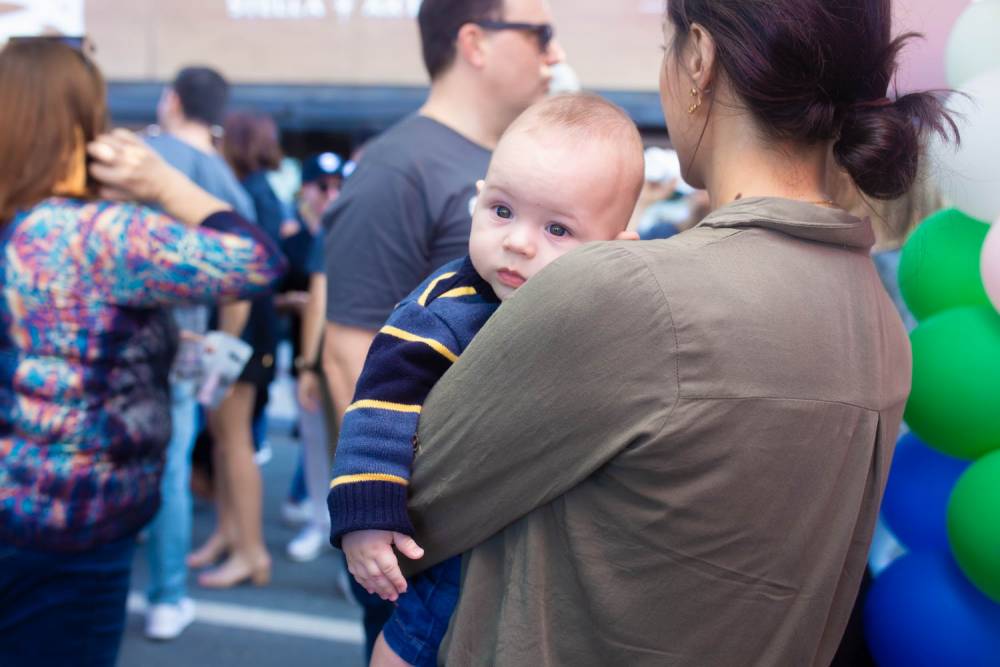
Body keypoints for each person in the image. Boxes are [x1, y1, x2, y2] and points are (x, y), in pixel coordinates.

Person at [391, 1, 958, 665]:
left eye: (666, 48)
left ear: (698, 57)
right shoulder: (876, 315)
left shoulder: (633, 296)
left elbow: (399, 507)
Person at [331, 93, 643, 667]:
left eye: (557, 229)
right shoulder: (444, 309)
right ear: (477, 202)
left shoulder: (608, 315)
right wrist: (366, 517)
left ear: (617, 253)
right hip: (447, 547)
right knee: (409, 645)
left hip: (545, 553)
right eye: (501, 211)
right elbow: (379, 405)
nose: (518, 242)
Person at [0, 39, 285, 667]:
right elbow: (257, 260)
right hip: (69, 520)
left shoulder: (34, 225)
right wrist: (162, 182)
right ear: (77, 118)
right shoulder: (92, 234)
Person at [321, 0, 564, 655]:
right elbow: (350, 359)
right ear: (474, 42)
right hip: (424, 547)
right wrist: (378, 519)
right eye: (541, 35)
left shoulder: (519, 160)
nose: (556, 54)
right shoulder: (396, 168)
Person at [142, 66, 260, 639]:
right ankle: (165, 597)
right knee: (169, 470)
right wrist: (226, 342)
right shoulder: (220, 175)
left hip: (118, 334)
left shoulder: (136, 154)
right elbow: (243, 276)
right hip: (187, 340)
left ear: (171, 100)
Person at [281, 152, 346, 561]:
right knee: (317, 446)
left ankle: (340, 531)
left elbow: (319, 296)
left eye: (338, 185)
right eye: (323, 186)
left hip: (342, 354)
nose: (331, 194)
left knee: (347, 452)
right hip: (314, 353)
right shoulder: (295, 236)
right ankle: (322, 524)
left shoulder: (343, 226)